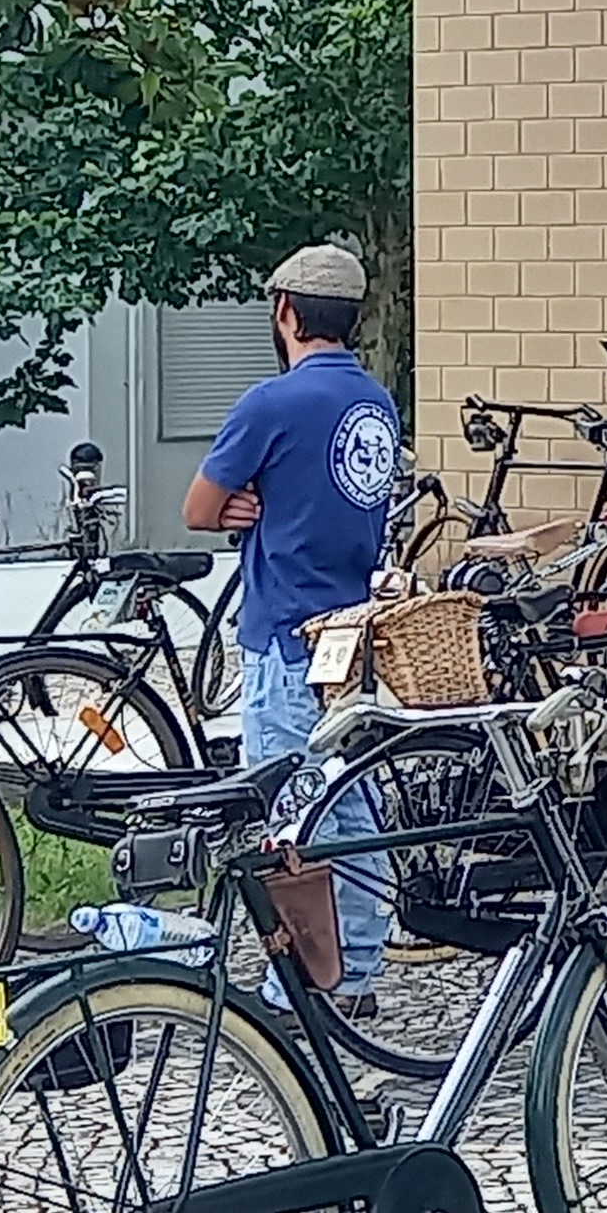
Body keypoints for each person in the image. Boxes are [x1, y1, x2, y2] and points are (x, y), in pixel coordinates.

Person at [184, 242, 401, 1014]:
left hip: (284, 631)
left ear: (285, 312)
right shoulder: (375, 403)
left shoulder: (270, 404)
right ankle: (356, 963)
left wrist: (244, 503)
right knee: (349, 794)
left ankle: (313, 980)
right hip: (354, 630)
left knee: (295, 812)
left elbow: (199, 508)